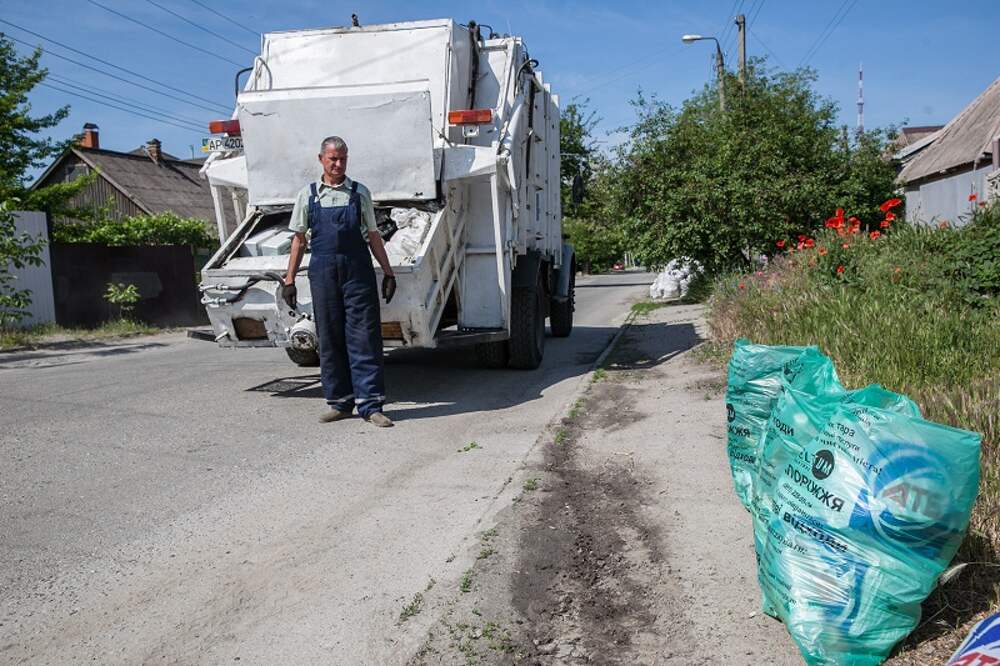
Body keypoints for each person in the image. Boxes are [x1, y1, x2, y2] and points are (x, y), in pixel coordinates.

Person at [282, 136, 397, 427]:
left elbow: (373, 236)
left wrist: (388, 272)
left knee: (364, 338)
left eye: (343, 158)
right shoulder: (307, 196)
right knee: (330, 338)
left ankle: (371, 406)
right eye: (332, 158)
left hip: (357, 272)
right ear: (320, 159)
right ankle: (340, 402)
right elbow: (298, 240)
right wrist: (289, 279)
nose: (338, 164)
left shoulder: (359, 194)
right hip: (322, 272)